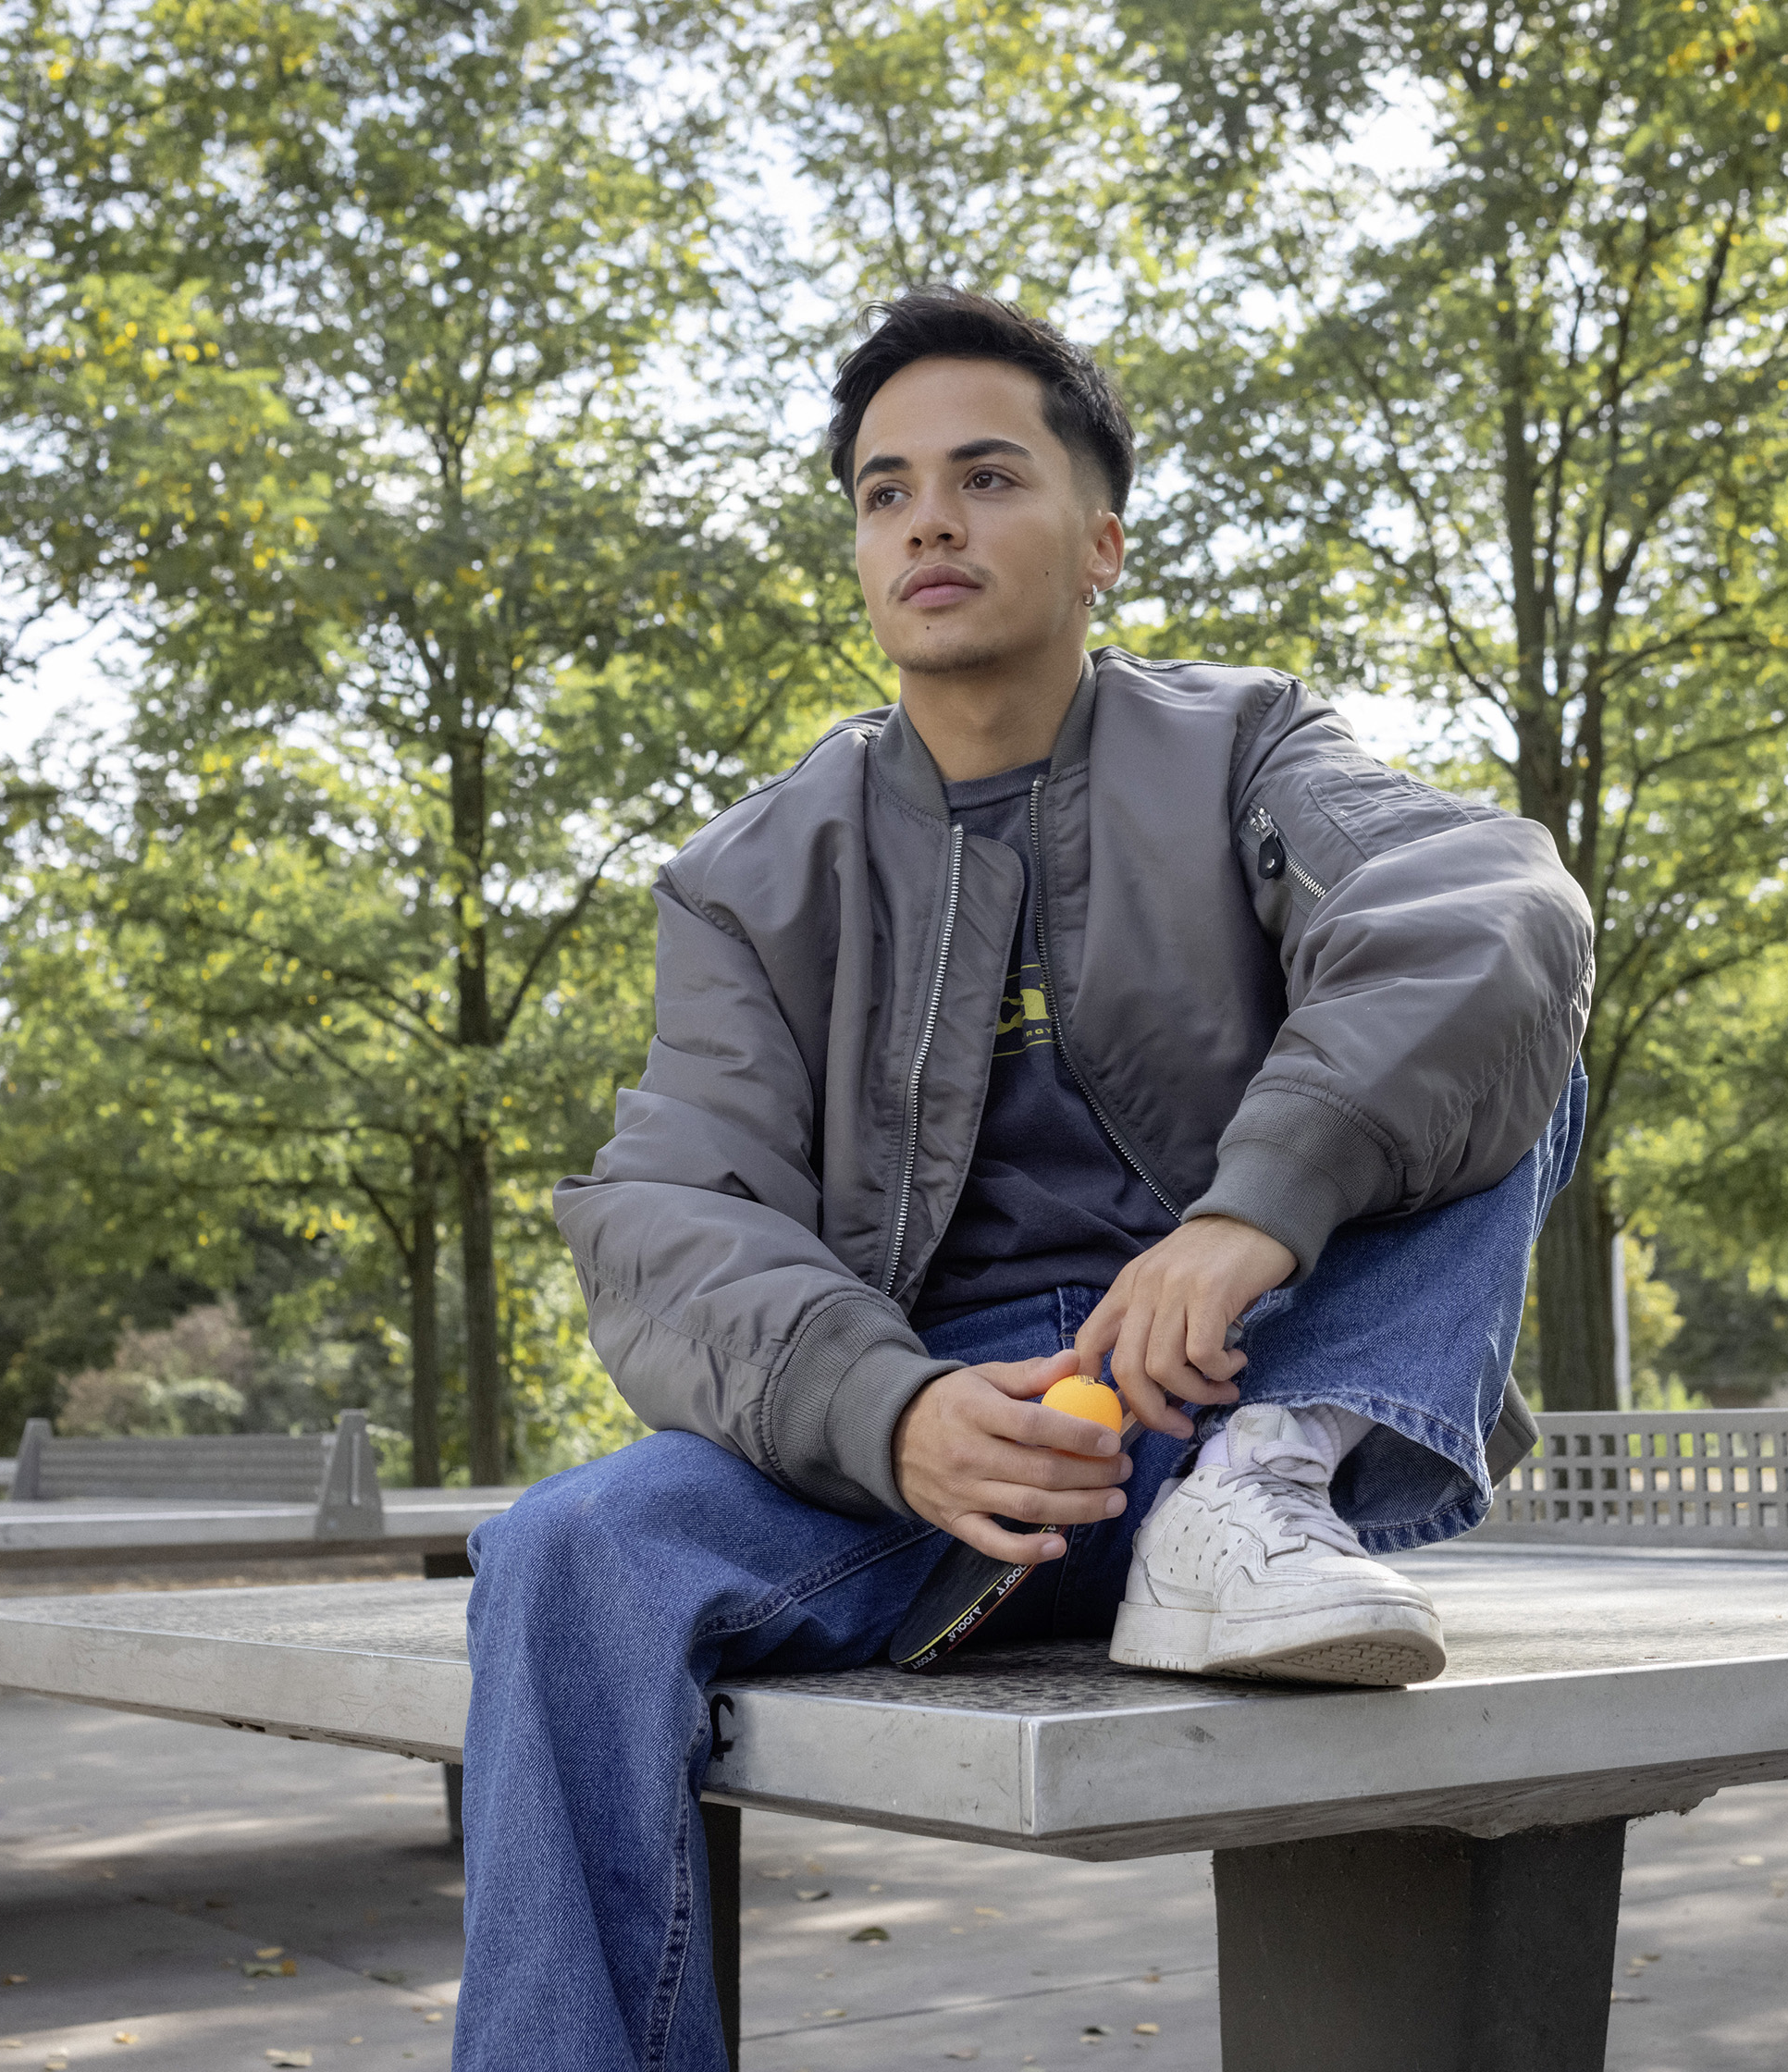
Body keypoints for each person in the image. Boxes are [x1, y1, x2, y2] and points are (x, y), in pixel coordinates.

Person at [452, 287, 1594, 2070]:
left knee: (1507, 1000)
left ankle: (1263, 1496)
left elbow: (1488, 931)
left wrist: (1252, 1207)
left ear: (1101, 540)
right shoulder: (750, 879)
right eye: (884, 489)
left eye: (987, 476)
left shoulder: (1249, 751)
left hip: (1238, 1397)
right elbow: (669, 1221)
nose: (927, 519)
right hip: (937, 1450)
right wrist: (886, 1411)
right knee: (561, 1549)